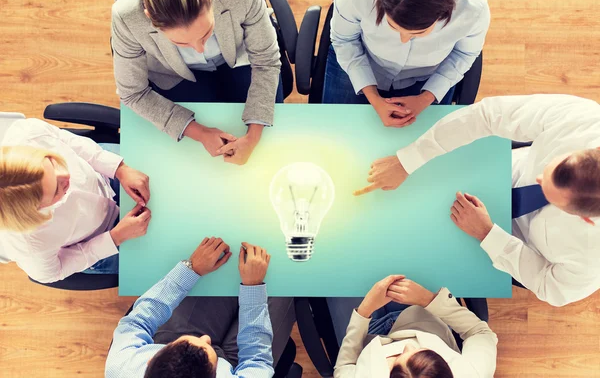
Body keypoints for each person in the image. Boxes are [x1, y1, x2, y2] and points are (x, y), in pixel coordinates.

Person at [354, 94, 600, 307]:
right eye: (549, 170)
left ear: (587, 219)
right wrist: (407, 160)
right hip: (494, 169)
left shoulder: (593, 257)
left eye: (549, 194)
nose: (538, 178)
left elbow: (550, 287)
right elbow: (488, 115)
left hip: (504, 245)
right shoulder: (585, 120)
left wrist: (487, 235)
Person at [111, 0, 283, 166]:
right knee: (191, 157)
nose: (198, 49)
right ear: (149, 16)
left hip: (238, 58)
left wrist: (253, 137)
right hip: (174, 74)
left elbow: (266, 61)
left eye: (207, 33)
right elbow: (133, 93)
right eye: (182, 43)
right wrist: (199, 133)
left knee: (269, 145)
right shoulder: (126, 16)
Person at [105, 238, 295, 378]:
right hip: (239, 367)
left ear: (150, 361)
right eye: (207, 343)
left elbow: (138, 320)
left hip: (171, 339)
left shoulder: (122, 366)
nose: (206, 338)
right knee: (285, 280)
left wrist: (191, 269)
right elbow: (257, 362)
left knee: (220, 269)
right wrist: (253, 288)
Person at [324, 0, 490, 129]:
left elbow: (464, 54)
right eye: (393, 27)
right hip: (362, 58)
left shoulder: (473, 7)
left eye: (419, 33)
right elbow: (345, 41)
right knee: (336, 129)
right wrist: (373, 98)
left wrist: (425, 98)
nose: (404, 39)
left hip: (429, 75)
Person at [0, 118, 151, 283]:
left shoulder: (28, 133)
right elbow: (52, 273)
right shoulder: (28, 244)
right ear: (37, 209)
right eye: (57, 189)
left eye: (52, 162)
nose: (66, 175)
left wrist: (120, 169)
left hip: (101, 171)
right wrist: (115, 238)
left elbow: (69, 141)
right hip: (102, 237)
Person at [330, 275, 497, 377]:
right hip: (421, 312)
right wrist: (428, 299)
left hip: (367, 332)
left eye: (396, 359)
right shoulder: (471, 374)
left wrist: (364, 311)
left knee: (335, 272)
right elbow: (478, 332)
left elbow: (345, 366)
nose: (409, 345)